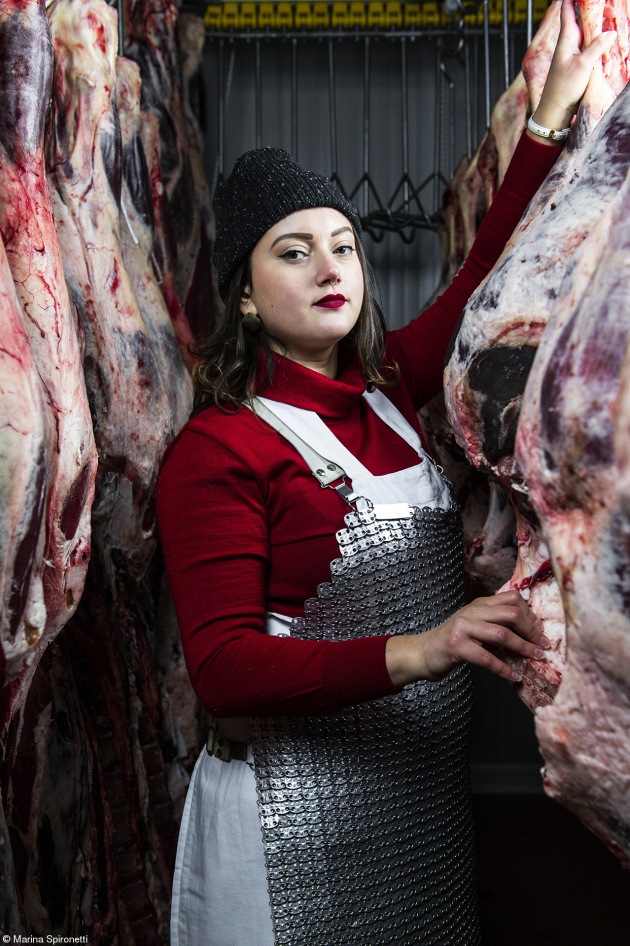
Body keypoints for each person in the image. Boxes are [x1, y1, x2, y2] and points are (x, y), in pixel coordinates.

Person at [156, 4, 616, 944]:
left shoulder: (390, 388)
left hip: (417, 810)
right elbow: (225, 671)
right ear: (244, 294)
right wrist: (426, 647)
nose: (331, 268)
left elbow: (485, 274)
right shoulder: (219, 448)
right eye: (293, 253)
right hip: (285, 828)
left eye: (343, 246)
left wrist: (546, 126)